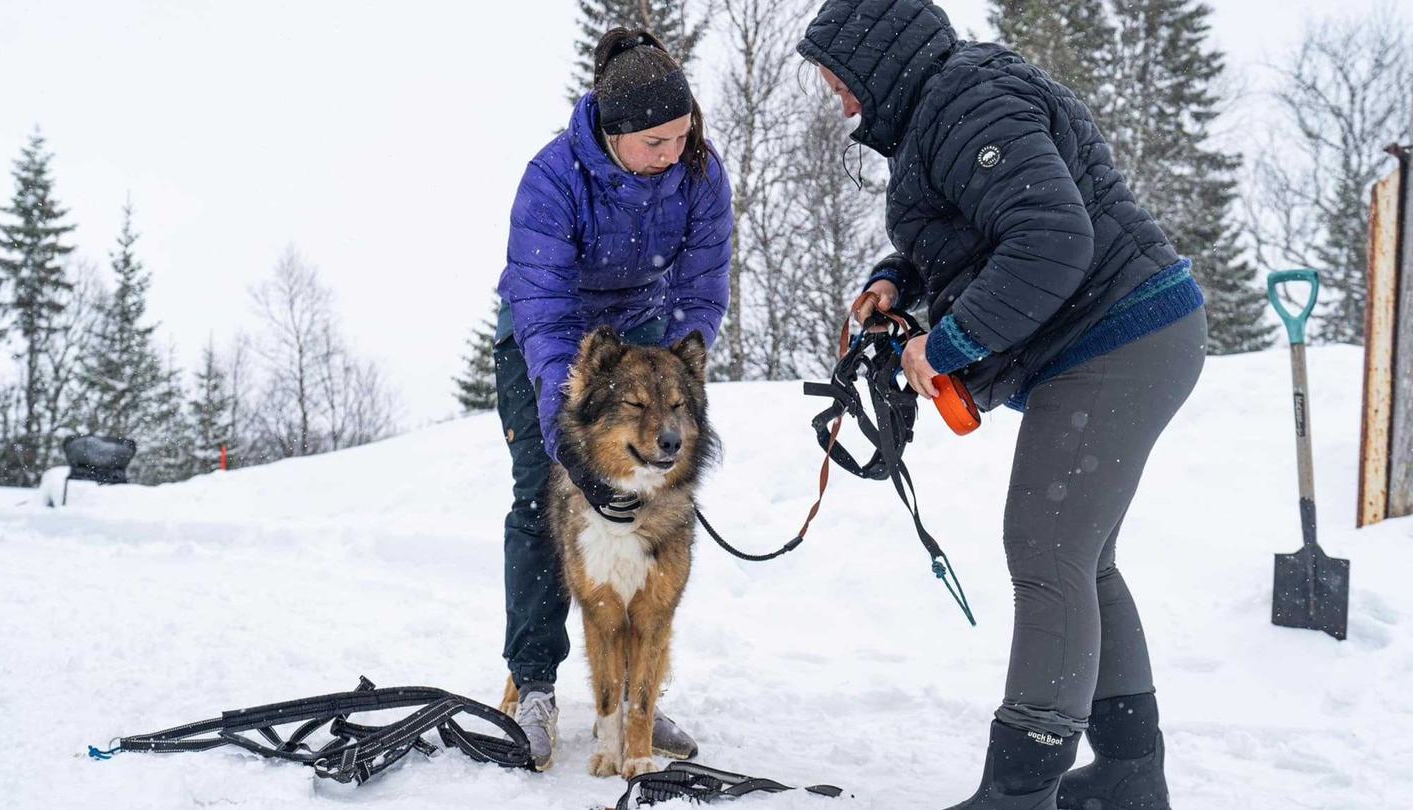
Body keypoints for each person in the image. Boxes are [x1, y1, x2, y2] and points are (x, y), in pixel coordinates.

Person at [797, 1, 1206, 808]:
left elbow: (1052, 239)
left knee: (1046, 550)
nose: (838, 100)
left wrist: (943, 347)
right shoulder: (947, 104)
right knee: (1082, 559)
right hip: (1130, 332)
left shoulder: (966, 101)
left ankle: (1019, 792)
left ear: (876, 62)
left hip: (1117, 338)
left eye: (838, 80)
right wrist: (899, 278)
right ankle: (1129, 775)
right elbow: (982, 224)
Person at [493, 27, 733, 771]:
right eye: (656, 142)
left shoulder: (700, 173)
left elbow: (702, 286)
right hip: (552, 348)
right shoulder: (553, 177)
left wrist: (681, 375)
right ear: (615, 132)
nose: (673, 153)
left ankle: (637, 696)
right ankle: (534, 685)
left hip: (651, 345)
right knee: (547, 500)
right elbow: (543, 306)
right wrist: (568, 424)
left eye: (683, 136)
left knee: (654, 517)